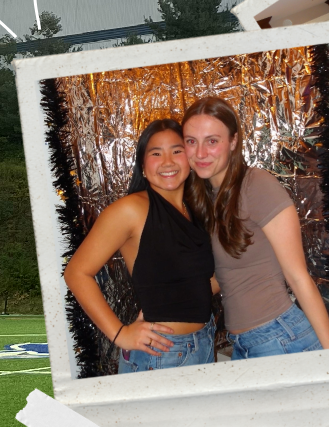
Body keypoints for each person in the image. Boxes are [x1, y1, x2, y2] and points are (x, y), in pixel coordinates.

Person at [181, 97, 329, 359]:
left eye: (212, 141)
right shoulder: (208, 196)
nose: (199, 153)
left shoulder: (256, 185)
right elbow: (225, 277)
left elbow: (299, 278)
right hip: (245, 344)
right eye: (191, 141)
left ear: (233, 142)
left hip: (280, 339)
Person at [63, 119, 216, 373]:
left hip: (203, 343)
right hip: (162, 356)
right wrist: (120, 334)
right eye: (156, 153)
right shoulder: (131, 209)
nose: (168, 161)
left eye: (177, 151)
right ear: (143, 167)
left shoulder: (194, 210)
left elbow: (196, 284)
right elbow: (76, 273)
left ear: (189, 158)